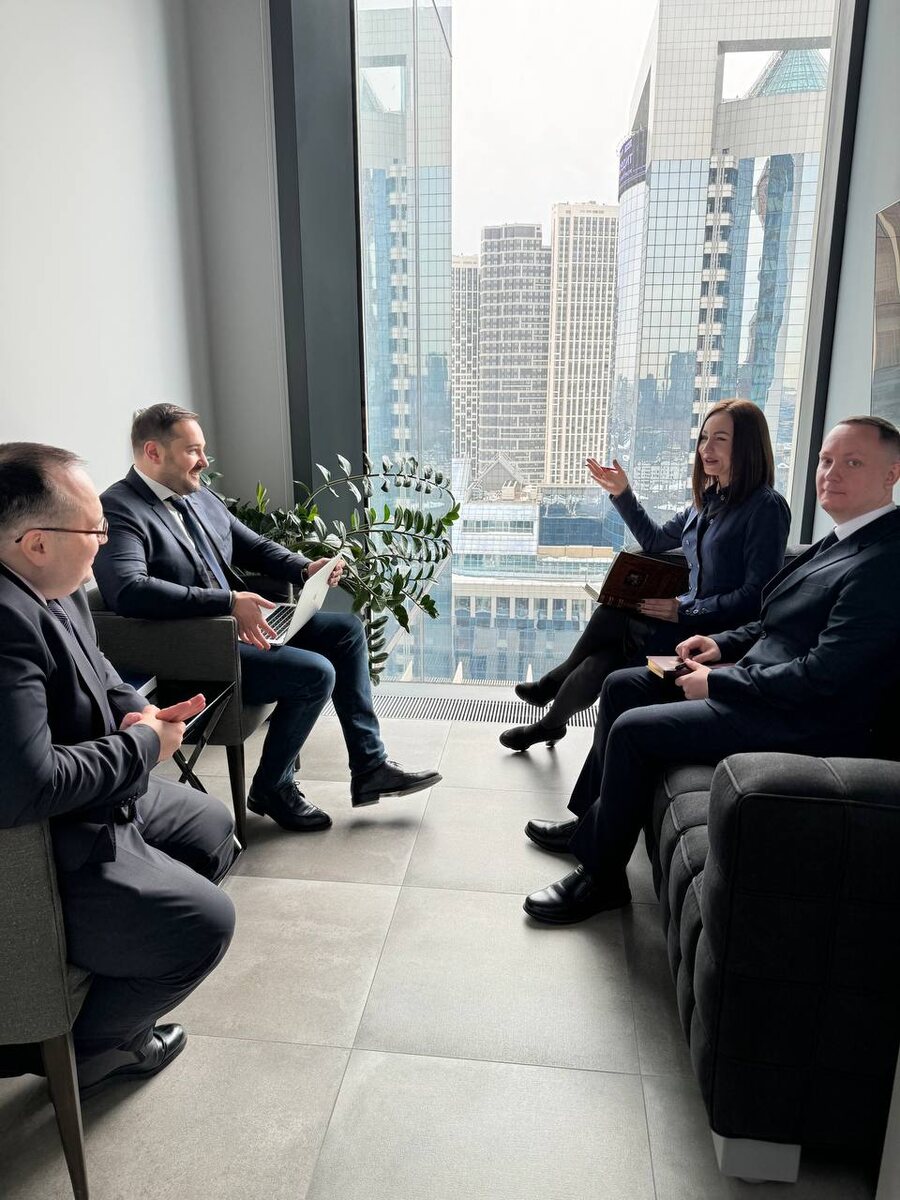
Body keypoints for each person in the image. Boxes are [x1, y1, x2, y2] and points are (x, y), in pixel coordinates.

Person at [523, 415, 900, 925]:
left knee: (633, 730)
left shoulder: (883, 561)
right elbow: (772, 621)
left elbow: (822, 678)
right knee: (621, 685)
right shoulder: (840, 539)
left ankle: (602, 877)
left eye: (852, 463)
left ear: (891, 473)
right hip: (755, 677)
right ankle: (593, 820)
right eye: (826, 460)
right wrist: (719, 644)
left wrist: (718, 679)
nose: (830, 474)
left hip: (795, 716)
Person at [0, 443, 235, 1094]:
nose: (104, 542)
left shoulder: (54, 584)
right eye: (94, 529)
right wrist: (143, 748)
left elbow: (98, 667)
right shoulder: (5, 624)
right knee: (207, 926)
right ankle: (92, 1050)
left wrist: (137, 708)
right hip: (48, 838)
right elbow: (29, 786)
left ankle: (121, 962)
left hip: (102, 786)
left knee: (213, 830)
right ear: (36, 543)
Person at [93, 404, 441, 833]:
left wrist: (305, 568)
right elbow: (129, 590)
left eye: (202, 450)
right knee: (315, 673)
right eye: (193, 451)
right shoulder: (118, 509)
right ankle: (272, 787)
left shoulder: (197, 495)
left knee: (347, 631)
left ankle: (370, 766)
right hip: (197, 654)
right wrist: (226, 602)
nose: (204, 462)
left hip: (237, 632)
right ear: (153, 452)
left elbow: (253, 546)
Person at [500, 399, 791, 751]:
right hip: (683, 621)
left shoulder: (766, 507)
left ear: (747, 445)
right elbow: (655, 539)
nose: (706, 449)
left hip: (712, 634)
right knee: (606, 641)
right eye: (703, 438)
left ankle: (551, 696)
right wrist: (622, 494)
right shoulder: (708, 500)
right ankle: (550, 719)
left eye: (720, 439)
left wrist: (685, 610)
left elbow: (756, 595)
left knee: (610, 629)